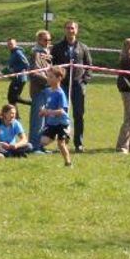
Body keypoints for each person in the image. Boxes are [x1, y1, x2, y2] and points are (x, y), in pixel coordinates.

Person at [50, 21, 92, 152]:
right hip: (62, 85)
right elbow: (52, 65)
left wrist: (84, 80)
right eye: (68, 28)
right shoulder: (57, 48)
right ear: (65, 30)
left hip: (78, 85)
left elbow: (89, 65)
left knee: (79, 114)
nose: (70, 30)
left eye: (72, 28)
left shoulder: (83, 48)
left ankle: (79, 143)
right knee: (62, 114)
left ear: (76, 30)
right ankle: (62, 142)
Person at [39, 66, 73, 166]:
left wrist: (48, 112)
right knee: (43, 141)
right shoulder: (49, 91)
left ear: (59, 78)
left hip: (62, 123)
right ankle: (55, 136)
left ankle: (68, 163)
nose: (48, 79)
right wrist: (43, 112)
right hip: (52, 123)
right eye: (48, 76)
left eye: (51, 77)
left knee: (61, 144)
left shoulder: (60, 93)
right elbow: (48, 106)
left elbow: (61, 111)